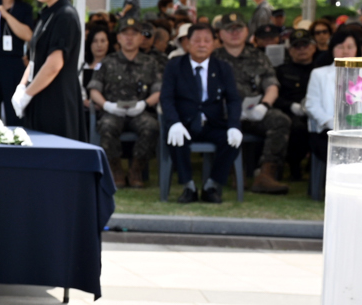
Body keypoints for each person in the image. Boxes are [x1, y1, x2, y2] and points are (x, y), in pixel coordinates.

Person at [161, 21, 242, 203]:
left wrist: (234, 125)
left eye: (207, 40)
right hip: (185, 122)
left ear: (214, 43)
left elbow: (233, 99)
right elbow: (166, 98)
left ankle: (212, 185)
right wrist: (174, 122)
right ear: (187, 43)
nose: (202, 45)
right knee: (175, 139)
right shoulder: (174, 66)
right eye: (197, 40)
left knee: (232, 141)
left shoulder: (223, 68)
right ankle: (188, 186)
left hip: (213, 123)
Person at [211, 14, 290, 193]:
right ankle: (231, 173)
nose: (234, 33)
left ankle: (265, 175)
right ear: (220, 34)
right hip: (224, 113)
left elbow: (272, 85)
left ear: (247, 32)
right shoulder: (212, 58)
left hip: (253, 111)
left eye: (239, 28)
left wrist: (264, 105)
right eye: (229, 29)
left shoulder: (258, 56)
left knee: (280, 120)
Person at [11, 0, 85, 139]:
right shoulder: (47, 14)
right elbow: (35, 59)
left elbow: (53, 65)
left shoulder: (65, 15)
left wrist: (27, 94)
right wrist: (21, 87)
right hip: (39, 98)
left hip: (56, 103)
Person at [88, 16, 162, 188]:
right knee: (106, 127)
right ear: (119, 38)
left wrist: (144, 104)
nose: (129, 38)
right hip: (113, 111)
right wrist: (107, 105)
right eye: (125, 34)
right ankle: (116, 170)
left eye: (134, 34)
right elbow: (94, 90)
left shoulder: (150, 62)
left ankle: (136, 170)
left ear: (141, 38)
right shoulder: (108, 61)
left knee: (151, 127)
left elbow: (158, 91)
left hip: (140, 111)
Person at [276, 31, 318, 178]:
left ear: (313, 47)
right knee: (296, 127)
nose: (301, 50)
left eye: (305, 46)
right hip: (291, 111)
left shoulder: (319, 70)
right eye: (297, 47)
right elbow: (276, 97)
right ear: (290, 50)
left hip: (316, 111)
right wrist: (291, 106)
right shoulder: (281, 71)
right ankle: (295, 167)